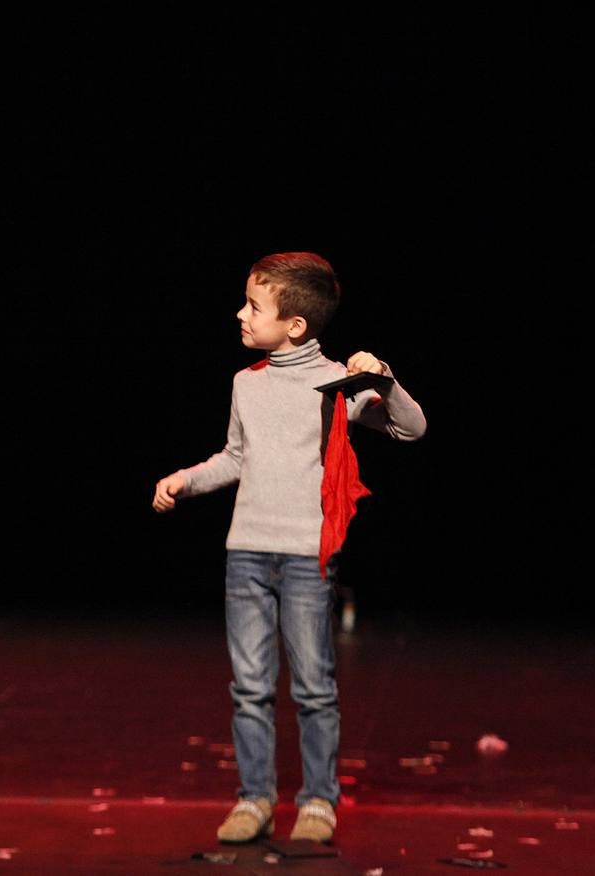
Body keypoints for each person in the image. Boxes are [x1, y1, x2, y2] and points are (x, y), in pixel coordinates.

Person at [152, 252, 425, 844]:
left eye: (254, 306)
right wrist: (186, 479)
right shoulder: (244, 383)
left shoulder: (335, 387)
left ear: (295, 324)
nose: (241, 314)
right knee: (249, 686)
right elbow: (236, 456)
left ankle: (318, 802)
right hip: (246, 552)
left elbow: (410, 428)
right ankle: (253, 799)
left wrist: (383, 379)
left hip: (305, 556)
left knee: (313, 686)